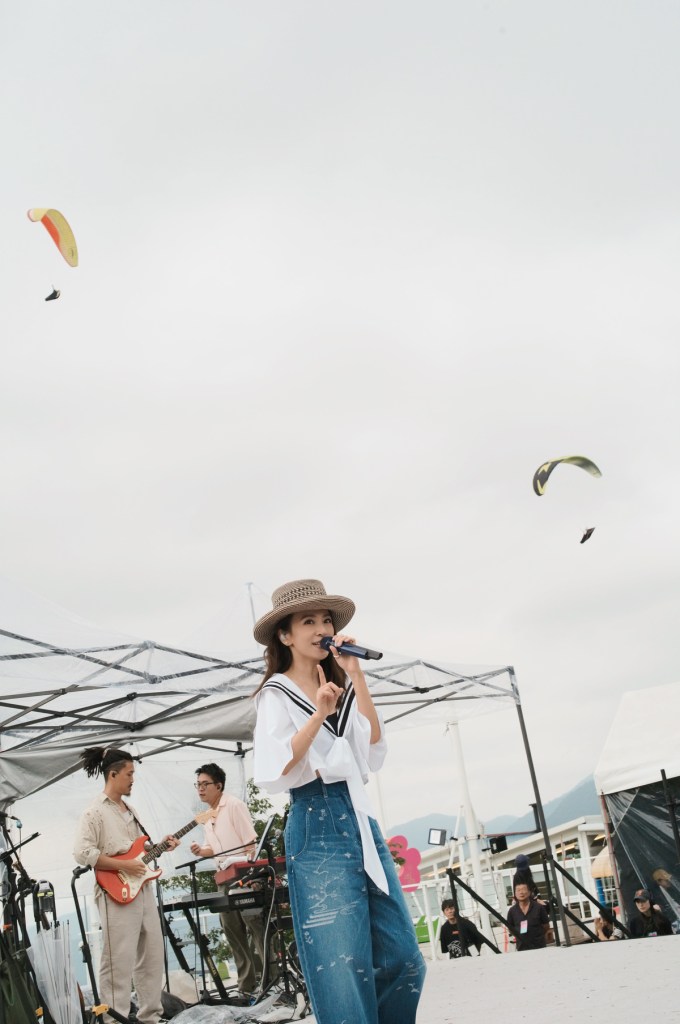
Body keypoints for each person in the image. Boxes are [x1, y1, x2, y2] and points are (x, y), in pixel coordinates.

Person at [252, 579, 426, 1024]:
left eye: (325, 619)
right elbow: (277, 767)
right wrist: (318, 715)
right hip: (316, 820)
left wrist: (355, 674)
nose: (320, 628)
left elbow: (372, 747)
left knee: (405, 958)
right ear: (285, 635)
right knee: (340, 966)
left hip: (360, 818)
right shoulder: (276, 693)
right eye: (307, 621)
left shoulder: (341, 685)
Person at [73, 746, 180, 1024]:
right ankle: (113, 1020)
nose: (133, 779)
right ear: (113, 774)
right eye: (129, 773)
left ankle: (150, 1017)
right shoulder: (94, 812)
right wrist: (123, 866)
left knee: (152, 954)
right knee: (117, 961)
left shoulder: (129, 810)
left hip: (141, 890)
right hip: (114, 892)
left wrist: (160, 847)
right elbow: (83, 853)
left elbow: (137, 853)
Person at [189, 763, 270, 1000]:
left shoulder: (234, 805)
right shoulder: (207, 816)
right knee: (233, 932)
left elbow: (251, 849)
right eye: (198, 785)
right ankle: (246, 986)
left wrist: (232, 861)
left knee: (255, 928)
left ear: (219, 785)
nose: (200, 789)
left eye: (205, 784)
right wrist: (200, 851)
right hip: (223, 879)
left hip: (245, 876)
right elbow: (215, 849)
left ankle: (270, 981)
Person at [506, 882, 551, 951]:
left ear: (529, 892)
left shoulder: (539, 908)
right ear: (515, 894)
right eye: (518, 890)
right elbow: (510, 928)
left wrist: (537, 935)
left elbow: (546, 926)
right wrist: (520, 937)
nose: (521, 892)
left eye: (524, 889)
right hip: (522, 947)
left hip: (539, 946)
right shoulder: (512, 911)